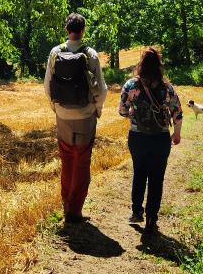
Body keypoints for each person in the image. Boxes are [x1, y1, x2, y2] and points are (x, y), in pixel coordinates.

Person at [44, 13, 107, 225]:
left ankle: (66, 205)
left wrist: (56, 108)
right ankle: (75, 211)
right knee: (81, 162)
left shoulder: (55, 52)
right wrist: (97, 109)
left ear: (66, 29)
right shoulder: (91, 54)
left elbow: (48, 86)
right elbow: (101, 89)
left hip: (62, 115)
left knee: (67, 160)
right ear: (83, 30)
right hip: (85, 115)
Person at [117, 46, 184, 234]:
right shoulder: (167, 87)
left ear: (141, 64)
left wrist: (133, 114)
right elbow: (177, 113)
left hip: (137, 137)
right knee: (156, 178)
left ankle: (136, 212)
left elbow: (122, 110)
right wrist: (176, 134)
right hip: (160, 138)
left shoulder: (131, 85)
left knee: (139, 172)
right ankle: (152, 218)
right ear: (158, 65)